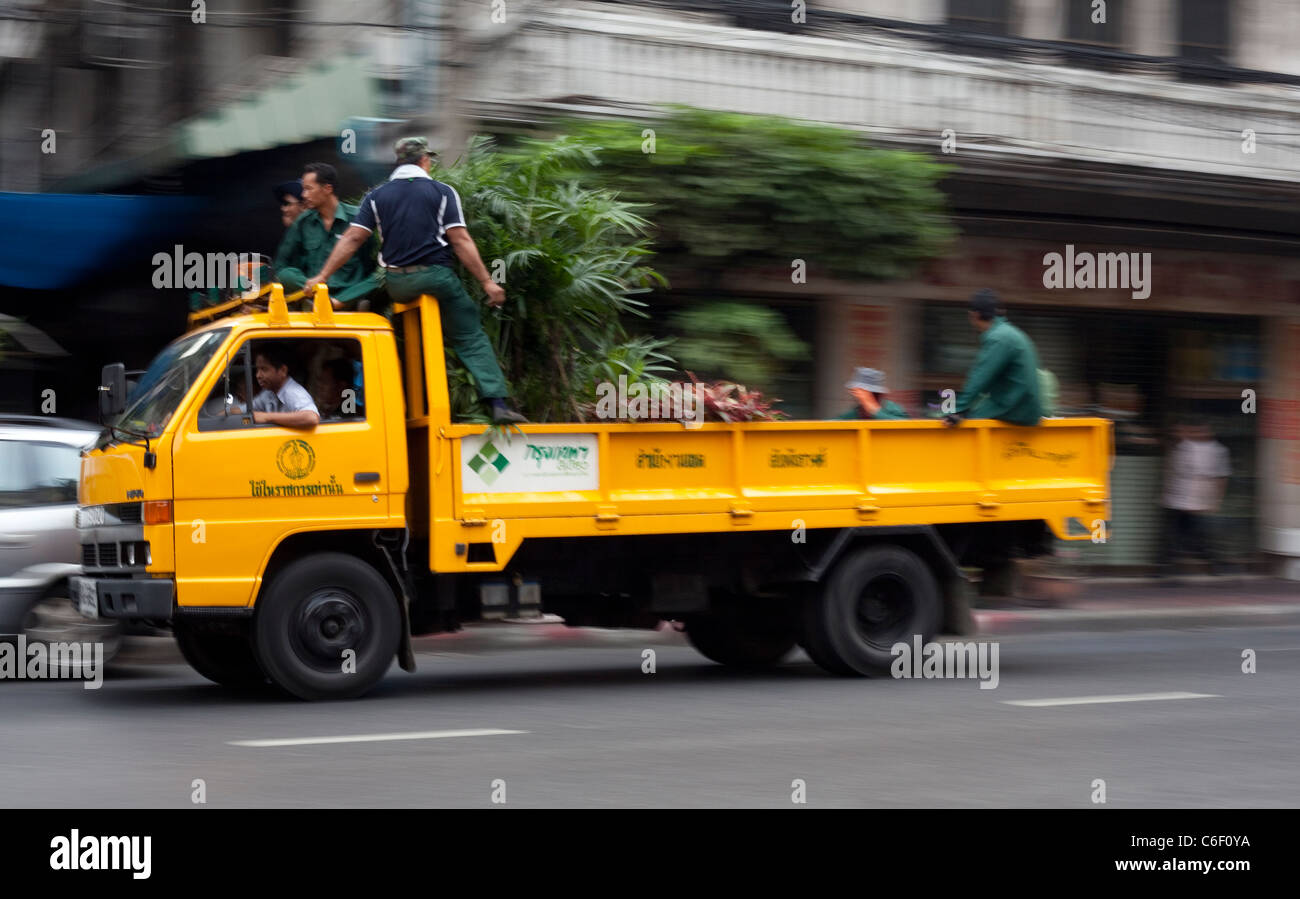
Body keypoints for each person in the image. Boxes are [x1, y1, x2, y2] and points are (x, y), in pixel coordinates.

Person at [302, 137, 527, 424]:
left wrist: (322, 275)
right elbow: (460, 240)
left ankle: (404, 405)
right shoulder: (443, 192)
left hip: (398, 284)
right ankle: (497, 403)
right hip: (435, 277)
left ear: (399, 162)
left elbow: (352, 239)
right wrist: (487, 282)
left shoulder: (376, 196)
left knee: (402, 332)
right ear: (424, 160)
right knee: (469, 333)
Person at [274, 162, 382, 308]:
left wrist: (347, 298)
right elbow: (281, 266)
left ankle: (335, 302)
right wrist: (310, 286)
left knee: (382, 275)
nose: (304, 195)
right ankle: (321, 297)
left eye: (308, 189)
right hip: (312, 295)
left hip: (348, 298)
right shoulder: (303, 223)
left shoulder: (358, 219)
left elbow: (372, 266)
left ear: (327, 189)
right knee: (284, 274)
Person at [944, 289, 1043, 427]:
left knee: (969, 425)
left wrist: (957, 409)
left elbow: (980, 377)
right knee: (973, 412)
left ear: (974, 315)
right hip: (1025, 406)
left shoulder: (998, 338)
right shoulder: (1009, 333)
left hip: (1017, 407)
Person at [1160, 421, 1230, 575]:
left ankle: (1217, 563)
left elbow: (1220, 478)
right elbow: (1171, 474)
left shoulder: (1216, 450)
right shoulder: (1181, 447)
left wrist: (1216, 500)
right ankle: (1169, 567)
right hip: (1178, 501)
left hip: (1198, 501)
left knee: (1197, 536)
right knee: (1178, 536)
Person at [251, 344, 320, 428]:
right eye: (257, 370)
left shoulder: (293, 392)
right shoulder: (269, 392)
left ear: (283, 370)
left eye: (264, 369)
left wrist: (266, 417)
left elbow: (311, 418)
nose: (258, 375)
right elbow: (245, 409)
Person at [832, 367, 908, 420]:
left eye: (862, 391)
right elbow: (837, 422)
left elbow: (906, 426)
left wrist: (874, 410)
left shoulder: (891, 408)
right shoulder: (858, 411)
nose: (857, 395)